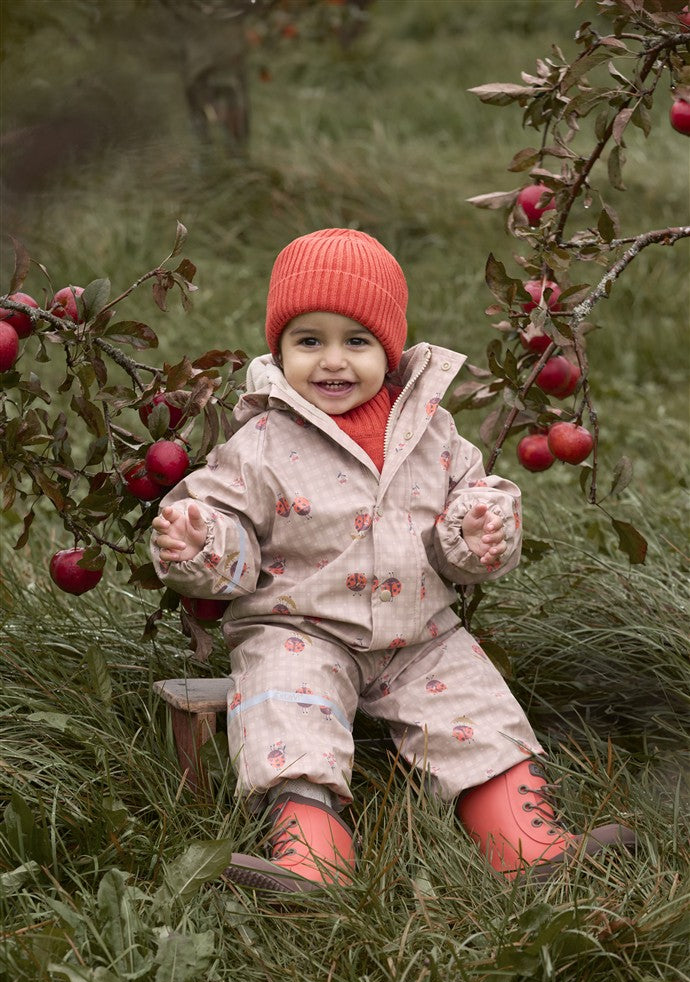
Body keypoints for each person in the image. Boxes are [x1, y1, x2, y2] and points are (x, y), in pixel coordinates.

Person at [151, 228, 634, 893]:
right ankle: (312, 860)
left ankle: (526, 847)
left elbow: (463, 522)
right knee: (288, 708)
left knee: (476, 709)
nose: (333, 362)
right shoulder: (259, 441)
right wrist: (201, 542)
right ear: (279, 349)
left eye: (357, 341)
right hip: (301, 627)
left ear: (390, 348)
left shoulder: (432, 431)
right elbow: (229, 532)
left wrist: (477, 533)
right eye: (309, 340)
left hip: (421, 633)